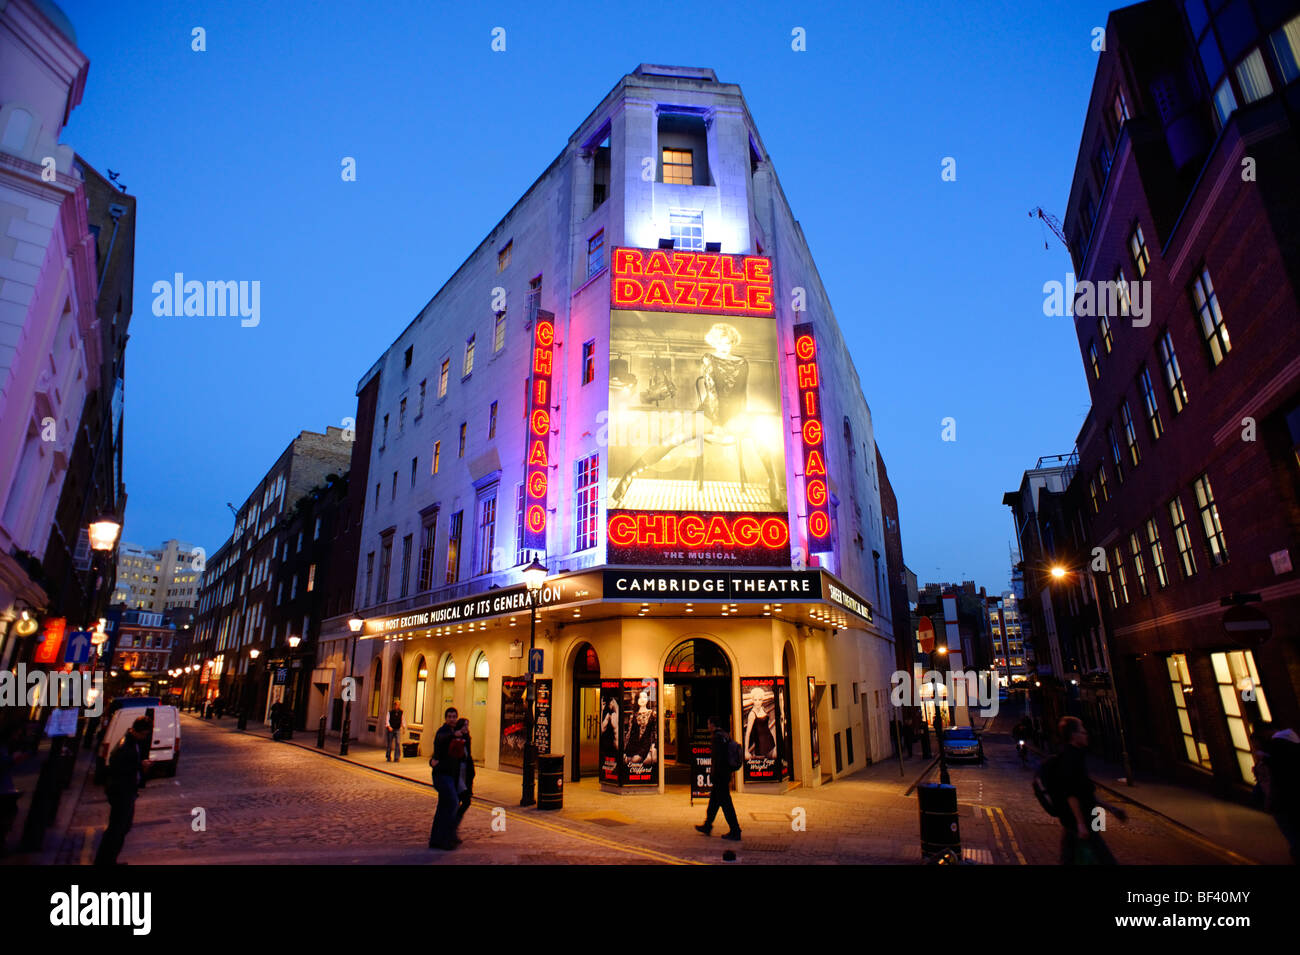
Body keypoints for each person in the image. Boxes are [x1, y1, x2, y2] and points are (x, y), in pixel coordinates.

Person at [610, 322, 780, 509]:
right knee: (670, 440)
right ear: (715, 342)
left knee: (759, 435)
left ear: (733, 342)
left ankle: (774, 483)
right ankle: (629, 475)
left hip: (734, 413)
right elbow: (712, 390)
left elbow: (741, 393)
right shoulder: (709, 358)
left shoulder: (742, 362)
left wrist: (740, 417)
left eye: (729, 342)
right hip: (708, 412)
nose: (725, 346)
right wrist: (716, 423)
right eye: (722, 342)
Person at [1054, 716, 1127, 864]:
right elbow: (1071, 794)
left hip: (1080, 822)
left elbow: (1085, 793)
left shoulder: (1076, 756)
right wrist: (1080, 824)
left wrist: (1111, 808)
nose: (1086, 734)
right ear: (1074, 735)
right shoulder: (1070, 758)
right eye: (1082, 732)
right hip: (1080, 823)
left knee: (1068, 860)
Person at [94, 716, 153, 866]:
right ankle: (105, 861)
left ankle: (109, 859)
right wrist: (141, 767)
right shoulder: (126, 746)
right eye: (145, 734)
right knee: (117, 828)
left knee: (123, 827)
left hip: (125, 791)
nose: (145, 737)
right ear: (138, 731)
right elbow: (119, 768)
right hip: (122, 791)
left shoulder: (131, 742)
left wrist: (139, 765)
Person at [1253, 725, 1300, 863]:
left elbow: (1275, 781)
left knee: (1291, 832)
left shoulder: (1274, 756)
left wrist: (1269, 800)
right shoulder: (1292, 748)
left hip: (1283, 802)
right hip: (1290, 799)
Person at [695, 716, 742, 841]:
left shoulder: (717, 738)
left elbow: (718, 759)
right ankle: (707, 825)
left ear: (713, 725)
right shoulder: (725, 735)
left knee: (726, 804)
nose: (707, 726)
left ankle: (735, 830)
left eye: (708, 724)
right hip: (725, 775)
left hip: (720, 776)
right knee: (714, 802)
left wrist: (715, 774)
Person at [428, 707, 460, 850]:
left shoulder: (454, 732)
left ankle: (436, 839)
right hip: (442, 775)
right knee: (452, 804)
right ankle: (445, 838)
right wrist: (454, 735)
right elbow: (441, 739)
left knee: (443, 807)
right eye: (450, 717)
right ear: (446, 718)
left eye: (454, 717)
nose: (452, 719)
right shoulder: (444, 731)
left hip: (449, 775)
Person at [453, 717, 476, 833]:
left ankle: (453, 825)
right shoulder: (455, 739)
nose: (466, 728)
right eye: (464, 725)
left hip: (465, 774)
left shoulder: (467, 739)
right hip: (458, 774)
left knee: (464, 801)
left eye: (467, 725)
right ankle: (452, 827)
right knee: (460, 801)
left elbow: (468, 758)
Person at [384, 698, 406, 762]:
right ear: (394, 705)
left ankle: (396, 757)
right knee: (389, 744)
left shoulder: (401, 712)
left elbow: (402, 720)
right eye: (397, 704)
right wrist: (388, 726)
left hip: (397, 729)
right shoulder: (390, 712)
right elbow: (387, 720)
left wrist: (403, 727)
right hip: (391, 729)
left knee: (398, 743)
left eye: (399, 704)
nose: (398, 706)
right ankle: (388, 756)